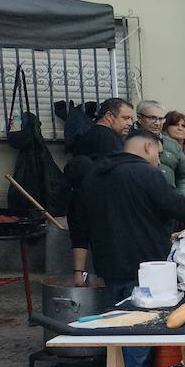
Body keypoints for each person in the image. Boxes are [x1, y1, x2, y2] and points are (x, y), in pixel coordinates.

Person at [79, 132, 185, 367]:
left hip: (108, 263)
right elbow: (180, 208)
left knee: (115, 324)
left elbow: (81, 222)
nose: (158, 161)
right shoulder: (146, 174)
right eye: (158, 155)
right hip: (144, 265)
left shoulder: (95, 175)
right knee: (140, 326)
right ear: (148, 147)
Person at [67, 97, 135, 277]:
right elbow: (118, 171)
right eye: (125, 118)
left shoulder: (90, 134)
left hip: (80, 197)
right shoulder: (107, 138)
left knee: (80, 239)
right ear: (109, 116)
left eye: (131, 119)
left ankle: (79, 276)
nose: (129, 123)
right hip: (101, 202)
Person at [137, 101, 185, 196]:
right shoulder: (127, 143)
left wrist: (181, 197)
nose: (157, 123)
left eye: (161, 119)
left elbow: (184, 175)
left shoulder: (172, 145)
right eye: (152, 118)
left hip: (170, 204)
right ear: (140, 118)